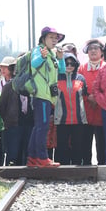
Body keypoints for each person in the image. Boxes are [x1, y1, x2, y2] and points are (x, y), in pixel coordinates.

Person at [26, 26, 66, 168]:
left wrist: (60, 59)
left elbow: (61, 71)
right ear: (43, 38)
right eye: (51, 37)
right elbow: (34, 63)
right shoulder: (39, 50)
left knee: (39, 127)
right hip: (41, 95)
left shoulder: (51, 53)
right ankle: (42, 158)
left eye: (56, 38)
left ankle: (32, 158)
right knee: (42, 127)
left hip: (47, 96)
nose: (54, 40)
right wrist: (42, 56)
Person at [54, 53, 88, 165]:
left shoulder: (81, 78)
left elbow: (85, 94)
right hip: (61, 119)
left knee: (78, 145)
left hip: (79, 119)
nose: (69, 66)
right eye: (66, 63)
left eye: (72, 63)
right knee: (61, 145)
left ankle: (77, 168)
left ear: (76, 64)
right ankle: (62, 169)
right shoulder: (56, 78)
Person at [0, 57, 32, 166]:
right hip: (14, 124)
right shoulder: (9, 86)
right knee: (13, 152)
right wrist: (9, 119)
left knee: (27, 151)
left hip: (30, 124)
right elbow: (2, 106)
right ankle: (12, 173)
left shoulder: (33, 85)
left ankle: (26, 173)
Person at [79, 39, 106, 165]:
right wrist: (88, 97)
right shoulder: (81, 68)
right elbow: (78, 87)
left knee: (103, 142)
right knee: (84, 142)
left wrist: (97, 97)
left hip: (102, 110)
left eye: (96, 48)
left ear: (102, 52)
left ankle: (103, 167)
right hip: (86, 109)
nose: (93, 51)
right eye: (90, 49)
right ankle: (85, 167)